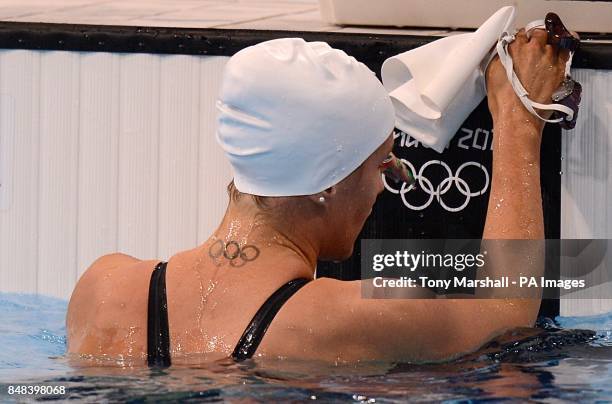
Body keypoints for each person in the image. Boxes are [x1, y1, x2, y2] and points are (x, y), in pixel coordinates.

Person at [66, 26, 572, 366]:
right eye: (381, 165)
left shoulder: (102, 287)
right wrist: (520, 121)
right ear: (330, 182)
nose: (384, 183)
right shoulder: (344, 316)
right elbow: (508, 306)